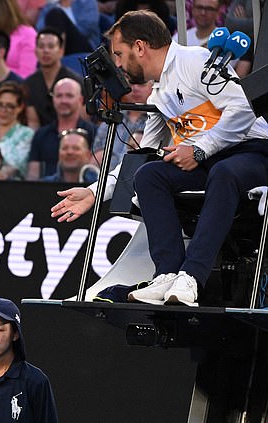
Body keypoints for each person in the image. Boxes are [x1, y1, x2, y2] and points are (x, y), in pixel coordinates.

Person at [51, 10, 268, 306]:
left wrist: (200, 150)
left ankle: (190, 276)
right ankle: (166, 274)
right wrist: (94, 192)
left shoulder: (196, 61)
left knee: (225, 173)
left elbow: (243, 110)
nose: (117, 64)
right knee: (148, 175)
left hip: (253, 153)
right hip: (212, 161)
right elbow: (140, 157)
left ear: (140, 47)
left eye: (120, 53)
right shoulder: (158, 94)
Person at [26, 78, 96, 181]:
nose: (63, 101)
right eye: (59, 96)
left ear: (80, 100)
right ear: (53, 99)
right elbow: (33, 175)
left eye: (69, 96)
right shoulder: (41, 134)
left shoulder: (94, 132)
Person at [24, 27, 83, 130]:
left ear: (61, 51)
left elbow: (82, 119)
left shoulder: (76, 82)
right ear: (35, 51)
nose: (45, 51)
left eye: (51, 46)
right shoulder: (29, 84)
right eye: (41, 46)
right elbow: (33, 123)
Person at [92, 81, 152, 170]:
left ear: (153, 87)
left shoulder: (158, 122)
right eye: (131, 84)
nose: (135, 88)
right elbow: (93, 161)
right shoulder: (110, 121)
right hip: (108, 180)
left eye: (141, 84)